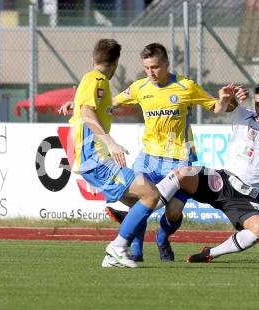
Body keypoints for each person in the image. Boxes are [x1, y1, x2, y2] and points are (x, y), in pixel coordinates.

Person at [61, 42, 247, 262]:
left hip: (180, 159)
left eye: (156, 67)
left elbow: (216, 108)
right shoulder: (140, 87)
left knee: (173, 212)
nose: (151, 72)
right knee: (143, 200)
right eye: (147, 68)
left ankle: (162, 238)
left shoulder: (186, 86)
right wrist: (77, 104)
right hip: (148, 159)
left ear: (167, 64)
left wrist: (226, 100)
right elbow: (109, 103)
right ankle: (136, 253)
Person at [144, 82, 259, 263]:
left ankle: (210, 253)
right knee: (183, 175)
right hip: (222, 180)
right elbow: (228, 104)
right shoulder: (243, 115)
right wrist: (230, 95)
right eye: (258, 104)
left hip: (248, 196)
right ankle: (136, 215)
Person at [68, 38, 180, 268]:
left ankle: (121, 250)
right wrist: (111, 143)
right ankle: (116, 250)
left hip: (91, 159)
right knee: (151, 195)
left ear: (94, 58)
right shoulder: (98, 80)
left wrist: (74, 105)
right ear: (116, 62)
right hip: (96, 158)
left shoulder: (90, 80)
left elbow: (86, 108)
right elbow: (88, 114)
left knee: (141, 201)